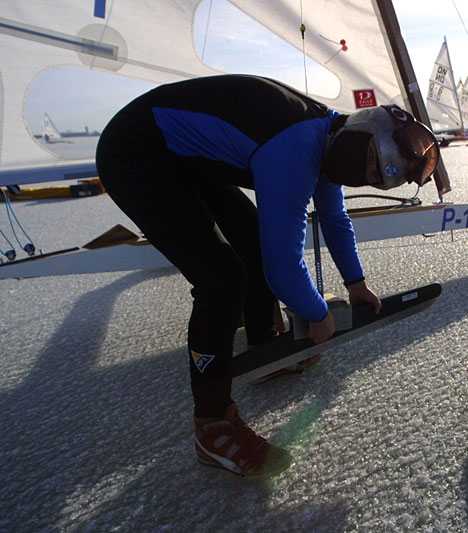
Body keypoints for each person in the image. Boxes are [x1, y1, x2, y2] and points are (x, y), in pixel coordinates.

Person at [95, 74, 440, 479]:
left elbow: (333, 216)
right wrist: (315, 312)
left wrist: (356, 284)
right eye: (366, 160)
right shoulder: (297, 149)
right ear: (361, 131)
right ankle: (212, 425)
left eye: (372, 175)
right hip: (136, 154)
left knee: (254, 246)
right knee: (221, 280)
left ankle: (263, 341)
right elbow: (283, 267)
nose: (360, 173)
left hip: (186, 158)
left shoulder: (333, 136)